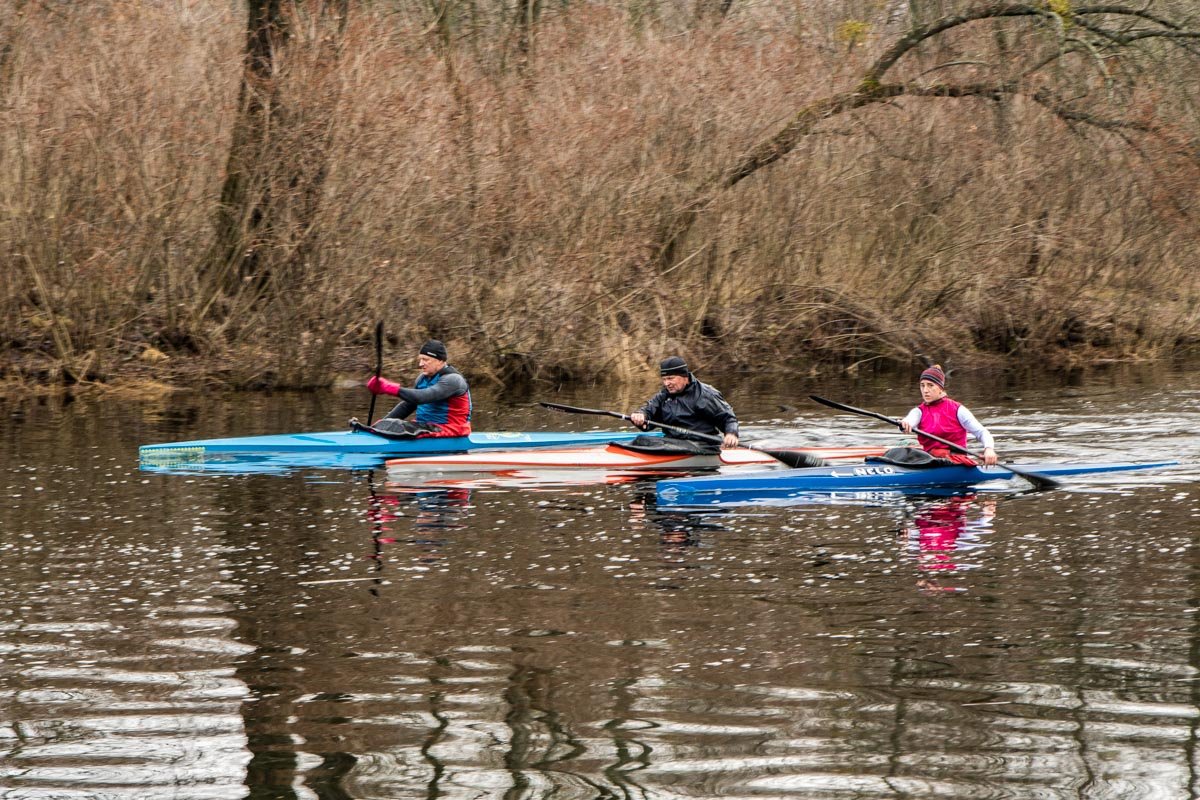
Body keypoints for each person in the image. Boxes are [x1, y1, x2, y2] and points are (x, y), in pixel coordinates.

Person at [355, 339, 472, 438]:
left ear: (440, 361)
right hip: (426, 427)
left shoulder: (453, 380)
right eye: (420, 359)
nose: (421, 364)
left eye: (426, 359)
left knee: (399, 427)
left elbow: (422, 397)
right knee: (390, 424)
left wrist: (388, 388)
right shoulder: (422, 378)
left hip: (450, 430)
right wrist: (380, 424)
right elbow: (408, 405)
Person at [628, 356, 739, 454]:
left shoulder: (705, 394)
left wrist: (731, 433)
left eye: (671, 378)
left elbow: (728, 418)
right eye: (664, 379)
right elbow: (649, 411)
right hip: (672, 444)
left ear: (685, 377)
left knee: (645, 442)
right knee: (641, 440)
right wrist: (640, 415)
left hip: (703, 446)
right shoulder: (664, 396)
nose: (667, 383)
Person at [899, 364, 997, 466]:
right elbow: (909, 420)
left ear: (941, 388)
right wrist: (905, 424)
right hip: (929, 460)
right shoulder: (918, 412)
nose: (925, 390)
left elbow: (981, 432)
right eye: (922, 385)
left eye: (930, 385)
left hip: (955, 461)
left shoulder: (958, 410)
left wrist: (989, 449)